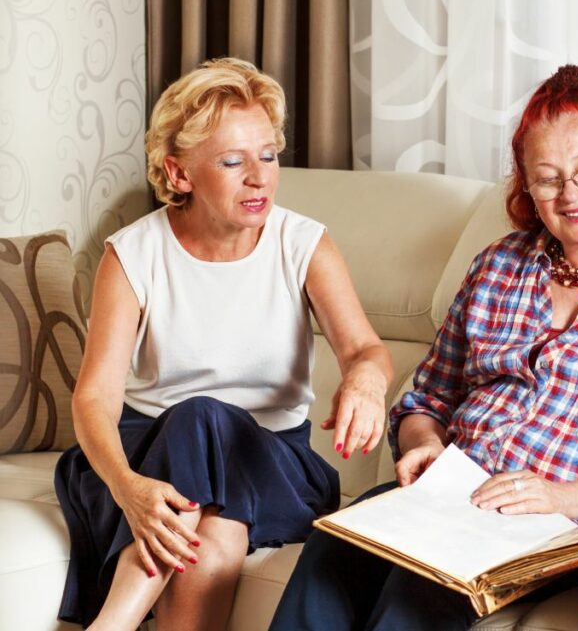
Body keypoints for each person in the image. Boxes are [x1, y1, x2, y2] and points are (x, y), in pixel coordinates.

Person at [269, 64, 578, 631]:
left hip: (570, 520)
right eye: (548, 178)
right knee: (330, 553)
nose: (571, 194)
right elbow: (425, 399)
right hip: (453, 496)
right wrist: (423, 448)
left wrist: (561, 497)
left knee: (411, 597)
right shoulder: (499, 264)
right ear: (526, 184)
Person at [54, 58, 392, 631]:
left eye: (268, 155)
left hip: (272, 463)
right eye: (233, 162)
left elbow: (365, 349)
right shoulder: (132, 255)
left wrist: (365, 379)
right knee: (216, 533)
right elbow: (94, 400)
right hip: (140, 465)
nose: (259, 177)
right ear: (179, 174)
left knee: (202, 418)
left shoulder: (302, 244)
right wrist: (129, 488)